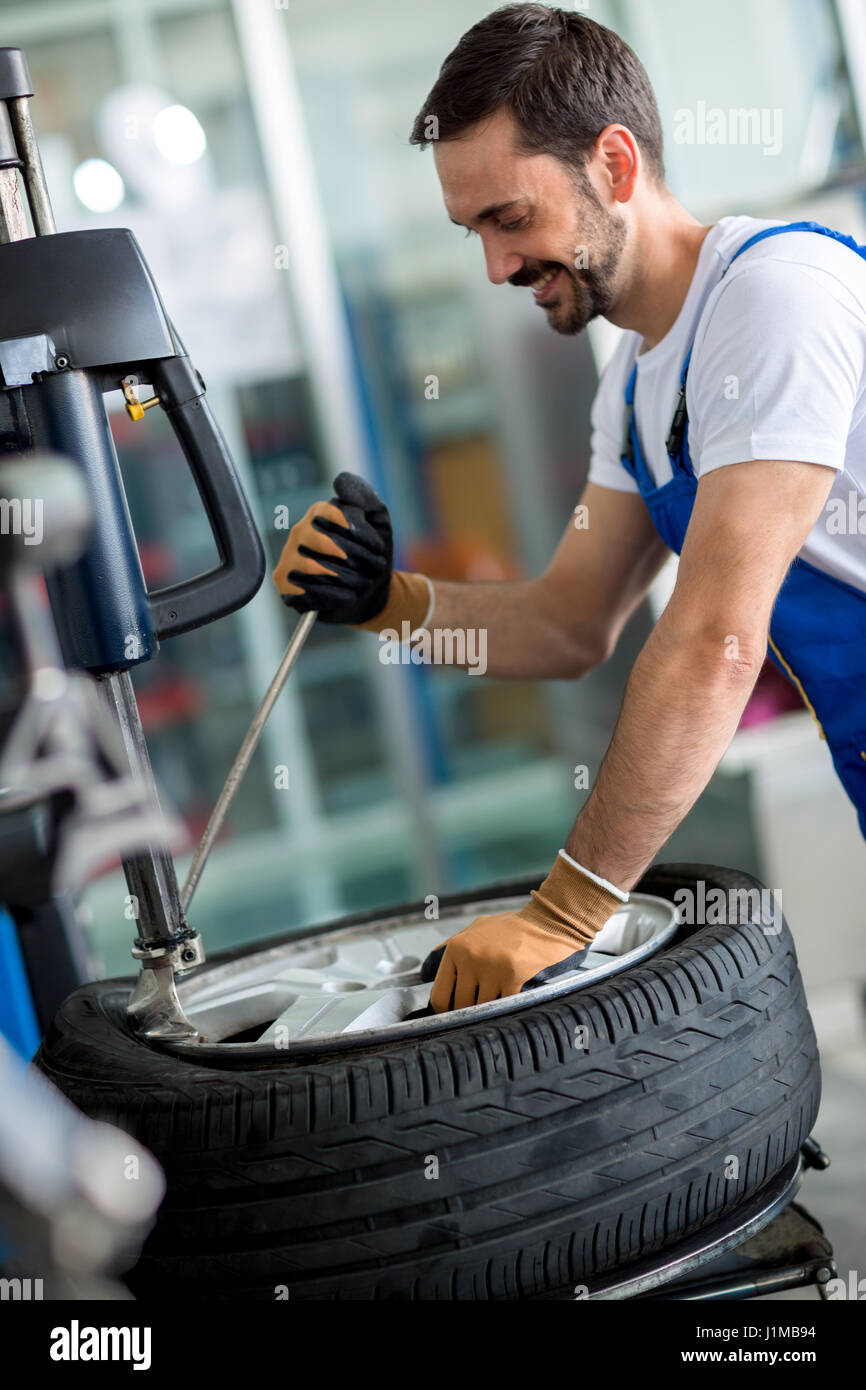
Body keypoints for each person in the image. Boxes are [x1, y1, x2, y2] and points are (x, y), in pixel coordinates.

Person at [273, 4, 866, 1013]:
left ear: (615, 166)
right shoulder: (634, 386)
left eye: (510, 219)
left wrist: (561, 913)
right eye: (473, 232)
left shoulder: (776, 296)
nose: (495, 268)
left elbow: (717, 638)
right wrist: (386, 600)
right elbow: (565, 623)